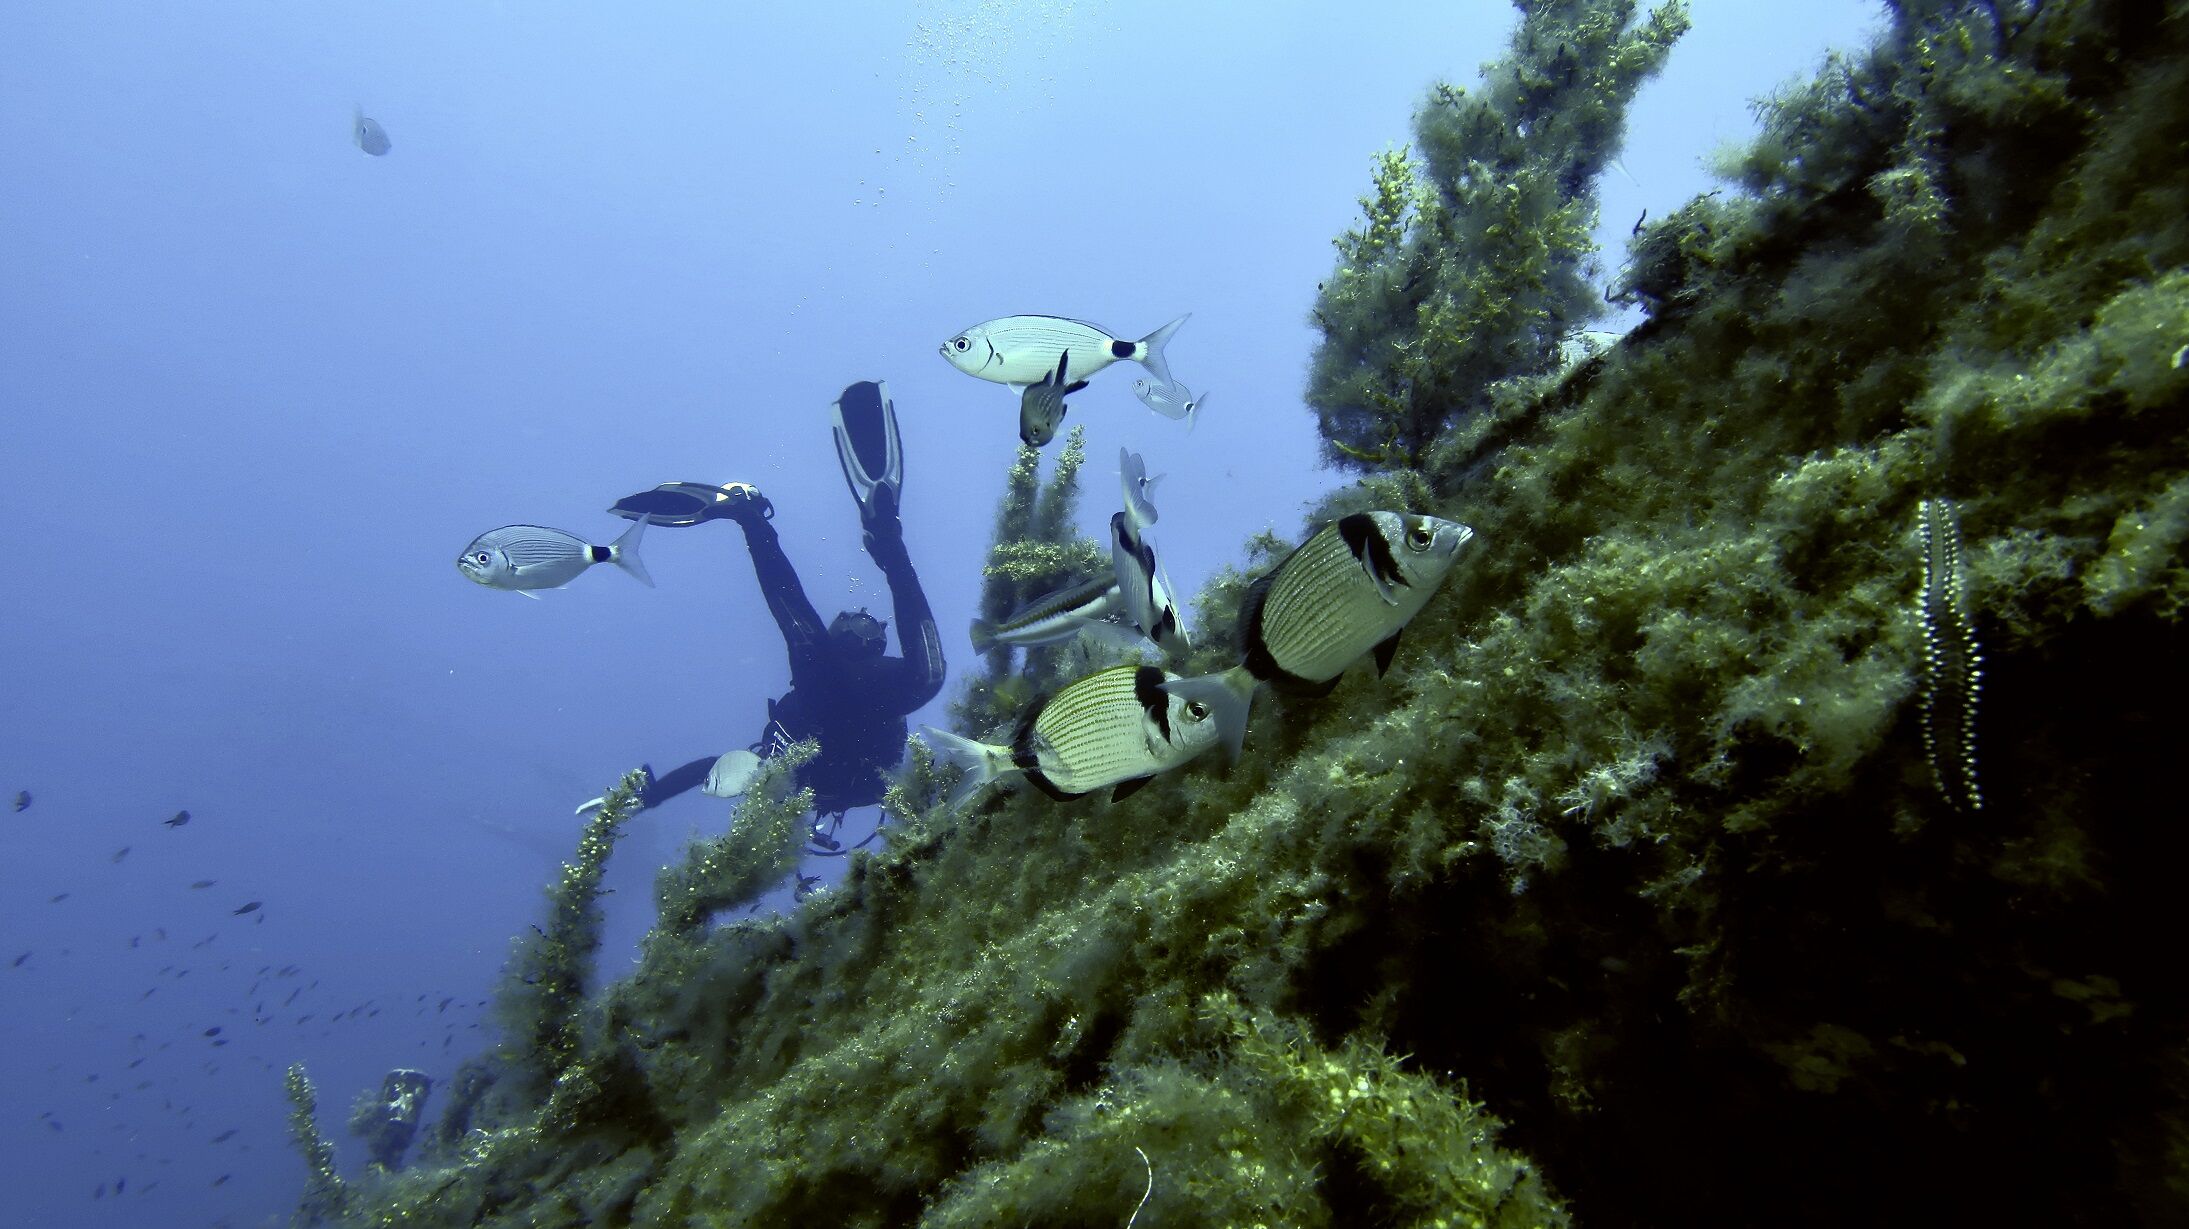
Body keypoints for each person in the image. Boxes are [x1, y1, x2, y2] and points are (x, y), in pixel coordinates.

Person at [593, 381, 947, 850]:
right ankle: (870, 537)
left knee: (893, 667)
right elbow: (718, 768)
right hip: (862, 699)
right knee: (901, 670)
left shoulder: (799, 771)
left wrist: (654, 794)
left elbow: (717, 767)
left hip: (836, 698)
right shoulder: (861, 780)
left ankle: (772, 523)